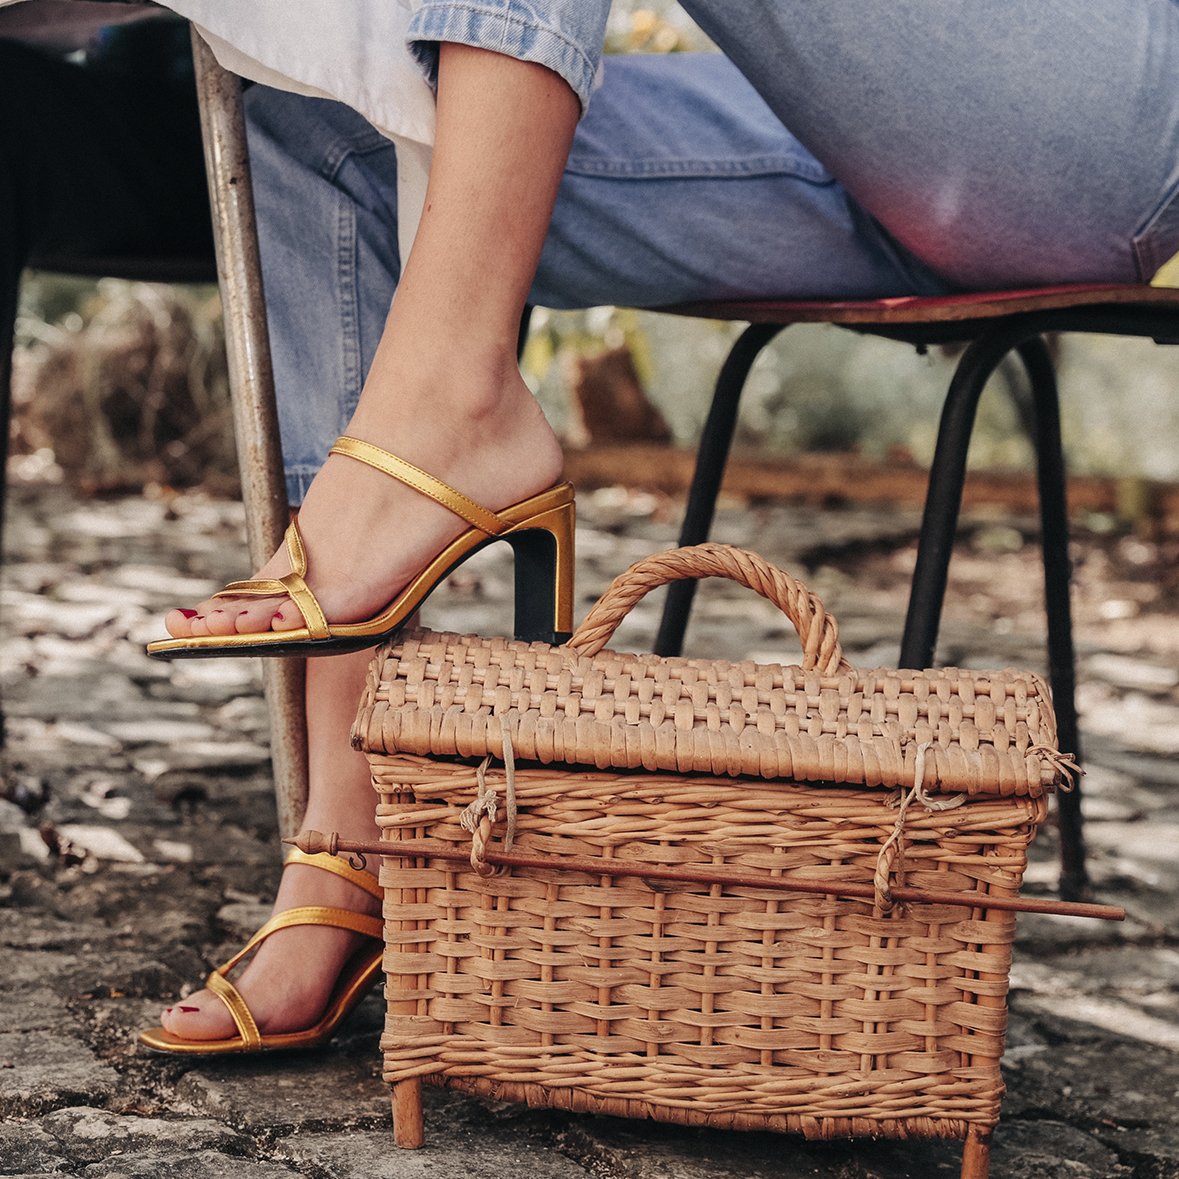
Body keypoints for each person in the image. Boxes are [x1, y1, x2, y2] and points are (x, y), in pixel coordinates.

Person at [140, 2, 1179, 1050]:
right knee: (331, 123)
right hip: (881, 130)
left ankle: (455, 410)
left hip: (1103, 104)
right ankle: (350, 843)